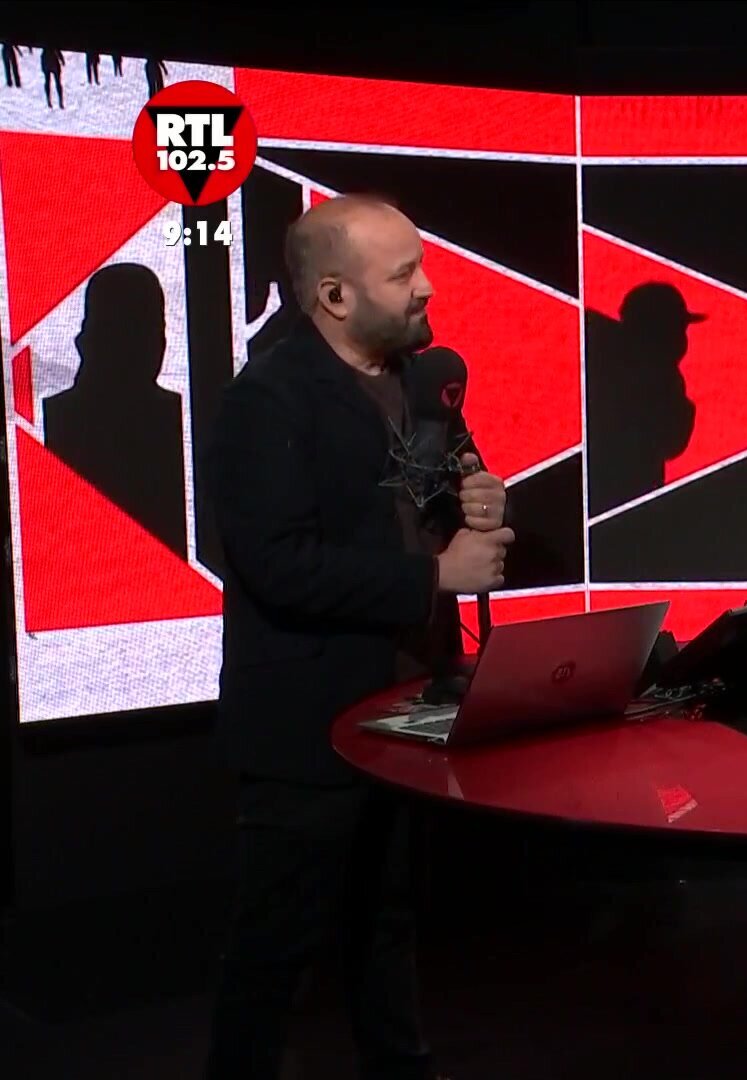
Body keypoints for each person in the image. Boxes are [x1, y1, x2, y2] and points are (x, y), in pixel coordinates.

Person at [204, 193, 515, 1080]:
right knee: (274, 947)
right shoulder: (267, 401)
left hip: (409, 705)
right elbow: (277, 565)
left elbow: (430, 506)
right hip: (306, 723)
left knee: (386, 920)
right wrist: (434, 578)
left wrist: (479, 502)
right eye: (403, 273)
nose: (427, 287)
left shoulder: (422, 382)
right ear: (335, 297)